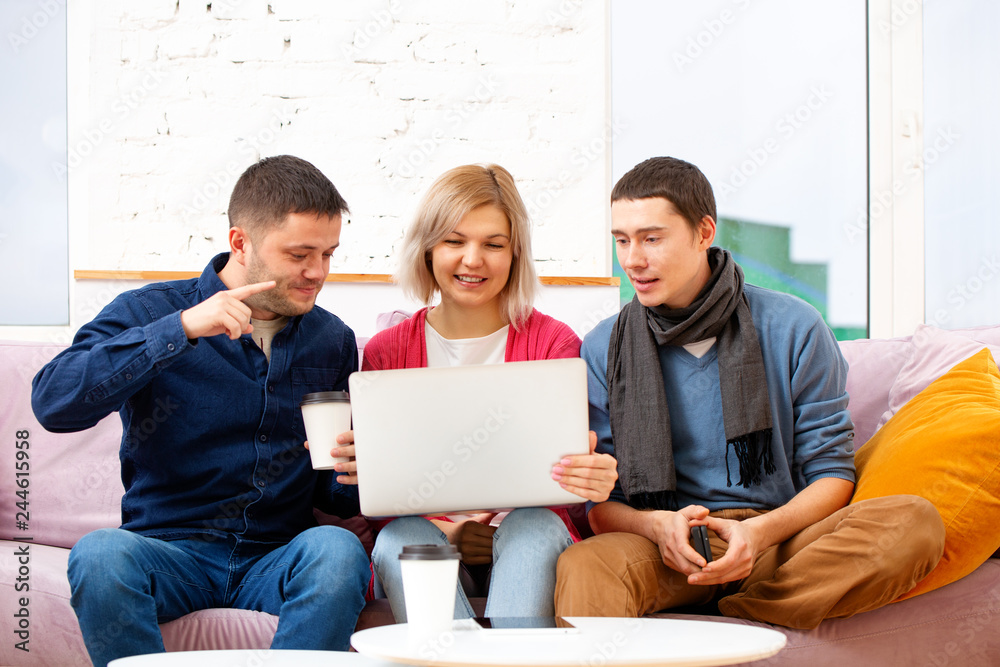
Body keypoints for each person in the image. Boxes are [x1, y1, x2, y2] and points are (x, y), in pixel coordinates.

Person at [553, 156, 946, 629]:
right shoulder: (603, 347)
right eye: (622, 240)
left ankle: (739, 608)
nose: (633, 259)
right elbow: (603, 507)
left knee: (913, 522)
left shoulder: (794, 325)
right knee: (584, 564)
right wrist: (655, 525)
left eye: (652, 238)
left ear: (703, 233)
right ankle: (748, 605)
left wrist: (758, 535)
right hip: (666, 544)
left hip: (777, 537)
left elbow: (833, 474)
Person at [31, 155, 370, 667]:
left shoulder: (332, 339)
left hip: (276, 556)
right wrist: (181, 330)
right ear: (240, 242)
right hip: (168, 552)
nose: (317, 273)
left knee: (338, 550)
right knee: (100, 554)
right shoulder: (152, 312)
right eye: (300, 254)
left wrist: (357, 470)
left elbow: (334, 495)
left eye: (328, 254)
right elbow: (53, 402)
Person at [325, 163, 618, 620]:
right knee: (401, 538)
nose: (473, 259)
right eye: (454, 241)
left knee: (533, 526)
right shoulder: (386, 351)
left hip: (529, 539)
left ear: (515, 254)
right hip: (427, 542)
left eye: (493, 244)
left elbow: (567, 493)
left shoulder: (555, 345)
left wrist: (591, 480)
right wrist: (451, 531)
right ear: (428, 250)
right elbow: (384, 503)